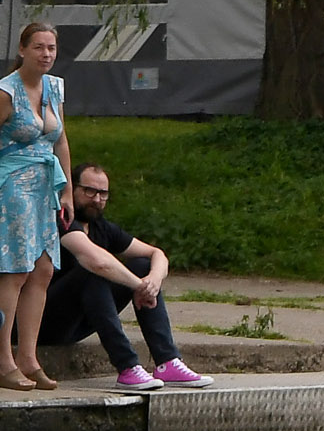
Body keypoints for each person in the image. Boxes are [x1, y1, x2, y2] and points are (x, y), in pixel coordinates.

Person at [43, 162, 211, 392]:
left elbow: (157, 254)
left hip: (77, 324)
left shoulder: (102, 228)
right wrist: (140, 286)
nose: (97, 199)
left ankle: (168, 362)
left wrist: (152, 280)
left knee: (142, 265)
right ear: (72, 189)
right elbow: (97, 262)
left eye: (103, 194)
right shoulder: (59, 220)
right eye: (89, 191)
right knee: (91, 272)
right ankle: (127, 366)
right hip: (44, 321)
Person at [0, 21, 69, 391]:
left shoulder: (55, 87)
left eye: (52, 48)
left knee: (43, 269)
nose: (46, 54)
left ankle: (29, 358)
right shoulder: (5, 93)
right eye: (39, 47)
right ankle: (3, 360)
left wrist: (68, 191)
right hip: (11, 186)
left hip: (45, 188)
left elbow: (60, 141)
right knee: (14, 271)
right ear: (23, 49)